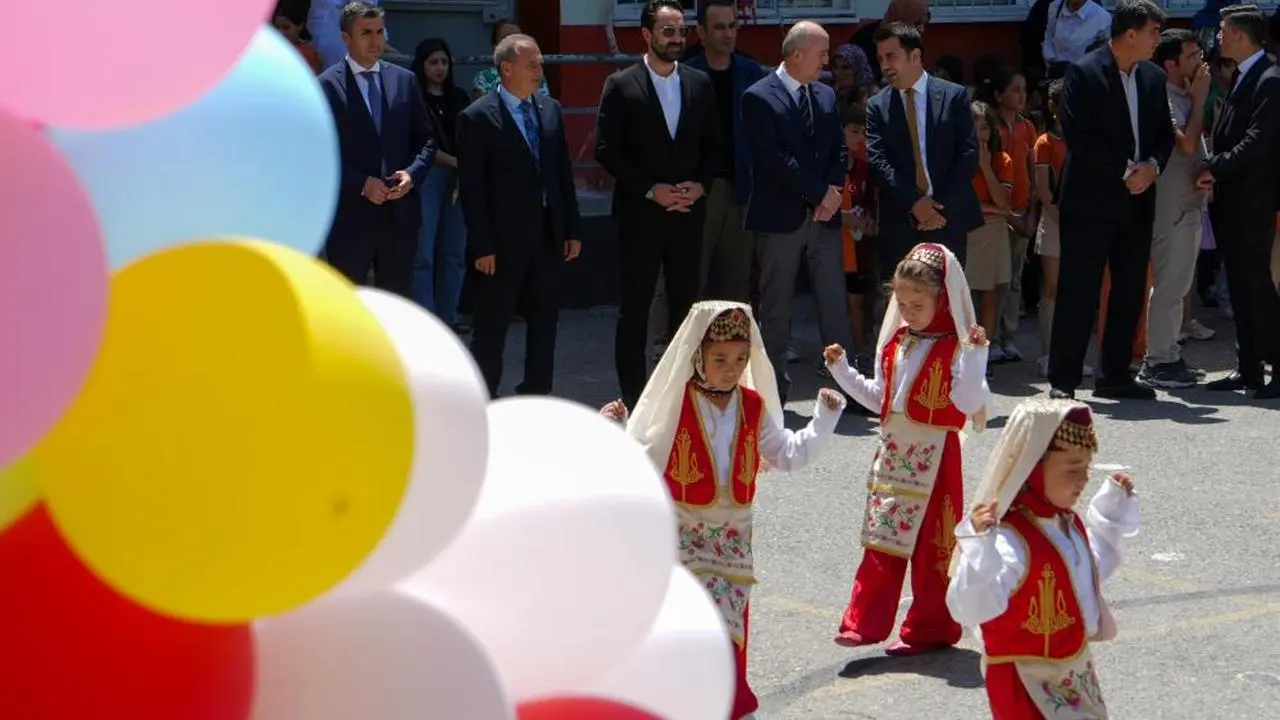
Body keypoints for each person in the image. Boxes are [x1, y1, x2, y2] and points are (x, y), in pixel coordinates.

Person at [600, 302, 846, 720]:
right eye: (719, 359)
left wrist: (824, 419)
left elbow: (787, 453)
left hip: (733, 542)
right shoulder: (675, 406)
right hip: (682, 539)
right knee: (690, 627)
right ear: (697, 356)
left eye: (739, 359)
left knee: (728, 627)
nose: (731, 369)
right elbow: (641, 462)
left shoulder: (752, 406)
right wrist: (614, 431)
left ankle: (723, 702)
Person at [826, 243, 991, 656]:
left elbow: (969, 403)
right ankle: (863, 623)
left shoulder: (957, 348)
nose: (908, 312)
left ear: (943, 300)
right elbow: (880, 398)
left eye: (918, 305)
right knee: (881, 539)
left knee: (934, 547)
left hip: (937, 456)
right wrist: (842, 371)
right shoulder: (897, 343)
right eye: (901, 304)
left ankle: (930, 628)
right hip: (893, 454)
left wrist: (976, 357)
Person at [946, 399, 1140, 719]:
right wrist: (980, 549)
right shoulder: (1010, 539)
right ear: (1032, 467)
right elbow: (968, 607)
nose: (1084, 479)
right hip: (1024, 681)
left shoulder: (1065, 523)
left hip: (1073, 671)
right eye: (1072, 469)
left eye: (1087, 468)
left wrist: (1112, 510)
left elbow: (1085, 574)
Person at [595, 0, 720, 411]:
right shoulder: (620, 84)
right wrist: (651, 189)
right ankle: (635, 399)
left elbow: (714, 146)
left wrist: (700, 186)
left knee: (686, 308)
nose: (677, 38)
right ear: (647, 35)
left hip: (688, 214)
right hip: (641, 215)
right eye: (668, 31)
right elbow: (607, 149)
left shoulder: (699, 83)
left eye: (682, 31)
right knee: (635, 309)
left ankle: (682, 394)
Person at [1047, 0, 1174, 401]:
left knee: (1129, 289)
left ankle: (1115, 375)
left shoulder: (1153, 76)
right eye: (1153, 32)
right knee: (1078, 290)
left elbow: (1164, 133)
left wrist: (1153, 166)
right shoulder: (1083, 72)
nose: (1158, 40)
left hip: (1138, 200)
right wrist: (1126, 170)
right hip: (1090, 200)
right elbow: (1079, 135)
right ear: (1130, 34)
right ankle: (1063, 380)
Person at [456, 34, 581, 398]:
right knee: (491, 329)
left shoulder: (549, 109)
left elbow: (562, 174)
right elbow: (472, 189)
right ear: (507, 69)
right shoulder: (477, 118)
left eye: (540, 63)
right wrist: (482, 246)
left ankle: (536, 396)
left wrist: (572, 229)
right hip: (500, 244)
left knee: (544, 325)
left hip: (547, 236)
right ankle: (483, 401)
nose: (540, 70)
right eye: (532, 65)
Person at [740, 20, 854, 405]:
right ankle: (772, 394)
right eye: (821, 53)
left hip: (824, 216)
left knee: (833, 303)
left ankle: (847, 388)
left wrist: (833, 192)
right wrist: (819, 192)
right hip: (781, 218)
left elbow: (839, 148)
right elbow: (772, 159)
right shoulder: (758, 97)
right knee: (777, 308)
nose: (827, 60)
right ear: (796, 54)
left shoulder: (826, 94)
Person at [317, 2, 437, 297]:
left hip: (399, 217)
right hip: (350, 219)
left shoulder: (404, 80)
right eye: (366, 33)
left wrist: (411, 174)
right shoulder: (327, 86)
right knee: (348, 303)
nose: (375, 41)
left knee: (396, 302)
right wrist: (361, 183)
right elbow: (320, 155)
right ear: (346, 38)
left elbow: (426, 140)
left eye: (380, 32)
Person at [1197, 4, 1280, 400]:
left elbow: (1258, 141)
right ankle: (1248, 367)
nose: (1218, 37)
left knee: (1257, 285)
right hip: (1234, 199)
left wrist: (1215, 166)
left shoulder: (1269, 79)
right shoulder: (1245, 75)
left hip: (1253, 200)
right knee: (1241, 287)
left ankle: (1276, 364)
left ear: (1241, 36)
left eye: (1223, 31)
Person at [866, 22, 982, 277]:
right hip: (901, 221)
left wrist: (938, 208)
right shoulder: (877, 105)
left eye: (891, 57)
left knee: (947, 294)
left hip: (947, 218)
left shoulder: (953, 96)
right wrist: (915, 203)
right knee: (902, 296)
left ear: (915, 56)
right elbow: (878, 160)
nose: (885, 66)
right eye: (880, 59)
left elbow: (968, 154)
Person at [1138, 29, 1212, 390]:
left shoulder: (1184, 94)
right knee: (1169, 285)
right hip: (1171, 206)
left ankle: (1169, 352)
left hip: (1191, 202)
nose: (1200, 62)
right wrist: (1200, 101)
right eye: (1191, 56)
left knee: (1180, 284)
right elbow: (1185, 145)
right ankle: (1157, 361)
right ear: (1170, 64)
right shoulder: (1164, 97)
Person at [685, 0, 767, 303]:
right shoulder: (685, 74)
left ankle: (732, 334)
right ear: (701, 32)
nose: (728, 34)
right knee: (691, 277)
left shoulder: (751, 73)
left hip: (741, 188)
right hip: (700, 189)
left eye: (733, 26)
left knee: (737, 280)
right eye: (719, 27)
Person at [1033, 79, 1094, 380]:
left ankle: (1073, 355)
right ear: (1053, 107)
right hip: (1056, 222)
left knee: (1078, 290)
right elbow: (1044, 192)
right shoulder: (1044, 142)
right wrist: (1063, 219)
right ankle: (1048, 353)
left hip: (1083, 221)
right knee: (1053, 288)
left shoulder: (1085, 138)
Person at [410, 38, 471, 333]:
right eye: (433, 62)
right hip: (428, 176)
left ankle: (449, 316)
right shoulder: (414, 98)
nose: (439, 68)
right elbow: (418, 143)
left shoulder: (458, 98)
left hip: (459, 178)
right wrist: (452, 161)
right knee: (424, 252)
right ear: (422, 65)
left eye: (444, 62)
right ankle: (426, 318)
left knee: (454, 252)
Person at [978, 67, 1039, 365]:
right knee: (995, 281)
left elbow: (1031, 168)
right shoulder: (990, 126)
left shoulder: (1027, 127)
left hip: (1022, 209)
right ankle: (990, 338)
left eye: (1024, 90)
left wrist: (1032, 213)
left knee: (1014, 278)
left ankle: (1009, 336)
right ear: (999, 95)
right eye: (1015, 89)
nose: (1021, 95)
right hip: (997, 214)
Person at [967, 101, 1015, 346]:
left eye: (984, 127)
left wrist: (985, 167)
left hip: (993, 233)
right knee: (963, 295)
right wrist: (994, 209)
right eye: (974, 127)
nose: (979, 133)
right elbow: (960, 202)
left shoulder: (1002, 160)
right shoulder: (958, 161)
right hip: (966, 230)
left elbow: (1003, 201)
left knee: (990, 295)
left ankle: (986, 349)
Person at [839, 103, 878, 377]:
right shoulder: (829, 168)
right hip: (834, 247)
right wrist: (843, 218)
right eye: (854, 131)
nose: (860, 138)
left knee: (859, 301)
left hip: (860, 247)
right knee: (839, 303)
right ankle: (842, 355)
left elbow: (869, 203)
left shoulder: (865, 169)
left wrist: (869, 220)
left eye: (864, 132)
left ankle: (861, 352)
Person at [471, 19, 551, 100]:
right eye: (506, 38)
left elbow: (545, 105)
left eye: (518, 38)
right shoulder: (483, 78)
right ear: (495, 45)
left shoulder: (536, 74)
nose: (513, 42)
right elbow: (482, 107)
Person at [1043, 0, 1113, 79]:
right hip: (1055, 73)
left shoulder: (1103, 18)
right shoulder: (1055, 7)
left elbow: (1104, 56)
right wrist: (1051, 62)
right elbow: (1049, 36)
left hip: (1083, 76)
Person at [273, 0, 323, 74]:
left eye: (286, 28)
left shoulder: (307, 55)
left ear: (300, 26)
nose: (280, 33)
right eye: (276, 27)